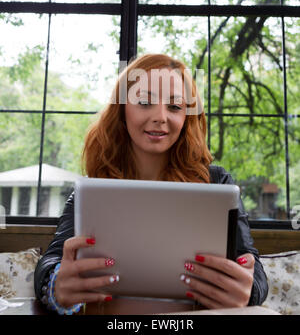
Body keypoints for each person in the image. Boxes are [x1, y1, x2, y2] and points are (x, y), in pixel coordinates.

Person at [34, 53, 268, 314]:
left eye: (175, 107)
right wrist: (56, 286)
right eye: (144, 102)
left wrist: (248, 292)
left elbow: (253, 270)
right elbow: (52, 261)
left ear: (187, 118)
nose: (160, 117)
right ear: (122, 109)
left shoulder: (216, 182)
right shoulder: (93, 191)